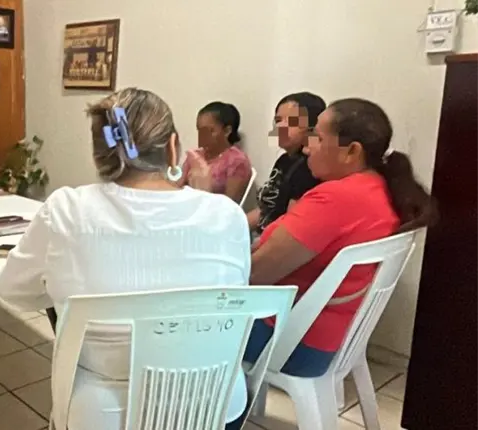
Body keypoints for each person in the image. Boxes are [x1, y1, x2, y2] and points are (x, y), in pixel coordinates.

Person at [0, 88, 251, 430]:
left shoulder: (68, 210)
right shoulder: (226, 214)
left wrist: (61, 288)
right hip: (215, 405)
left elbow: (14, 291)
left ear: (99, 153)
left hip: (107, 414)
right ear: (173, 148)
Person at [191, 98, 435, 378]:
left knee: (177, 314)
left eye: (317, 138)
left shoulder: (336, 200)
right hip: (328, 336)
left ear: (351, 151)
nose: (307, 148)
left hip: (292, 340)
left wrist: (203, 198)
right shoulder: (377, 187)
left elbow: (252, 276)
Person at [249, 92, 324, 235]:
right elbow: (266, 209)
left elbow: (291, 226)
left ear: (313, 127)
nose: (281, 127)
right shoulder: (283, 161)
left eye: (292, 122)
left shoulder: (309, 168)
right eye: (278, 120)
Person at [178, 101, 252, 203]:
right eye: (200, 131)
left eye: (210, 131)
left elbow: (230, 205)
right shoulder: (196, 156)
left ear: (227, 131)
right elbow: (176, 187)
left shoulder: (237, 161)